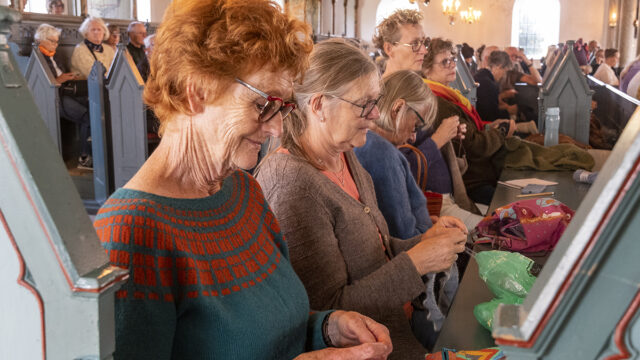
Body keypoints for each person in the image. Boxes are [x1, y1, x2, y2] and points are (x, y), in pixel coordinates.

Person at [93, 1, 392, 359]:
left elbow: (268, 330)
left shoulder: (243, 191)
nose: (278, 128)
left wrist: (327, 327)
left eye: (282, 107)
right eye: (263, 104)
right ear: (197, 92)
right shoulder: (132, 232)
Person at [256, 39, 468, 359]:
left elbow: (372, 253)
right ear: (318, 106)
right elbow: (328, 313)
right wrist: (417, 262)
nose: (376, 115)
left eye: (377, 101)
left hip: (396, 332)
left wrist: (423, 241)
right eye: (364, 104)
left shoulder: (343, 152)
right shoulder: (294, 184)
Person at [422, 38, 515, 205]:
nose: (452, 65)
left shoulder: (448, 95)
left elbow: (471, 130)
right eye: (444, 62)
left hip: (479, 173)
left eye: (452, 60)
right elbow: (474, 147)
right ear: (426, 68)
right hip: (472, 181)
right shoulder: (438, 101)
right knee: (512, 205)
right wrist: (501, 131)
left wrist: (489, 126)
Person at [353, 70, 434, 240]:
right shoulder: (383, 155)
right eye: (416, 126)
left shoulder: (367, 142)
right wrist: (430, 232)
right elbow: (403, 234)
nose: (413, 137)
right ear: (397, 109)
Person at [34, 24, 92, 169]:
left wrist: (70, 77)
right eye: (52, 41)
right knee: (87, 117)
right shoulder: (37, 57)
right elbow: (44, 82)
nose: (56, 44)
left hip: (65, 92)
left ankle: (88, 153)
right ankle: (84, 158)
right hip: (54, 98)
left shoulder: (53, 56)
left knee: (94, 106)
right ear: (41, 40)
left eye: (57, 41)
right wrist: (61, 79)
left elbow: (59, 74)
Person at [372, 9, 428, 75]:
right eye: (414, 44)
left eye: (424, 42)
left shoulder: (423, 84)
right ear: (389, 49)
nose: (424, 51)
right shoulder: (378, 85)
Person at [474, 50, 515, 123]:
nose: (503, 75)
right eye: (504, 71)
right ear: (499, 67)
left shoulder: (479, 75)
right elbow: (491, 117)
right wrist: (508, 111)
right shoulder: (489, 84)